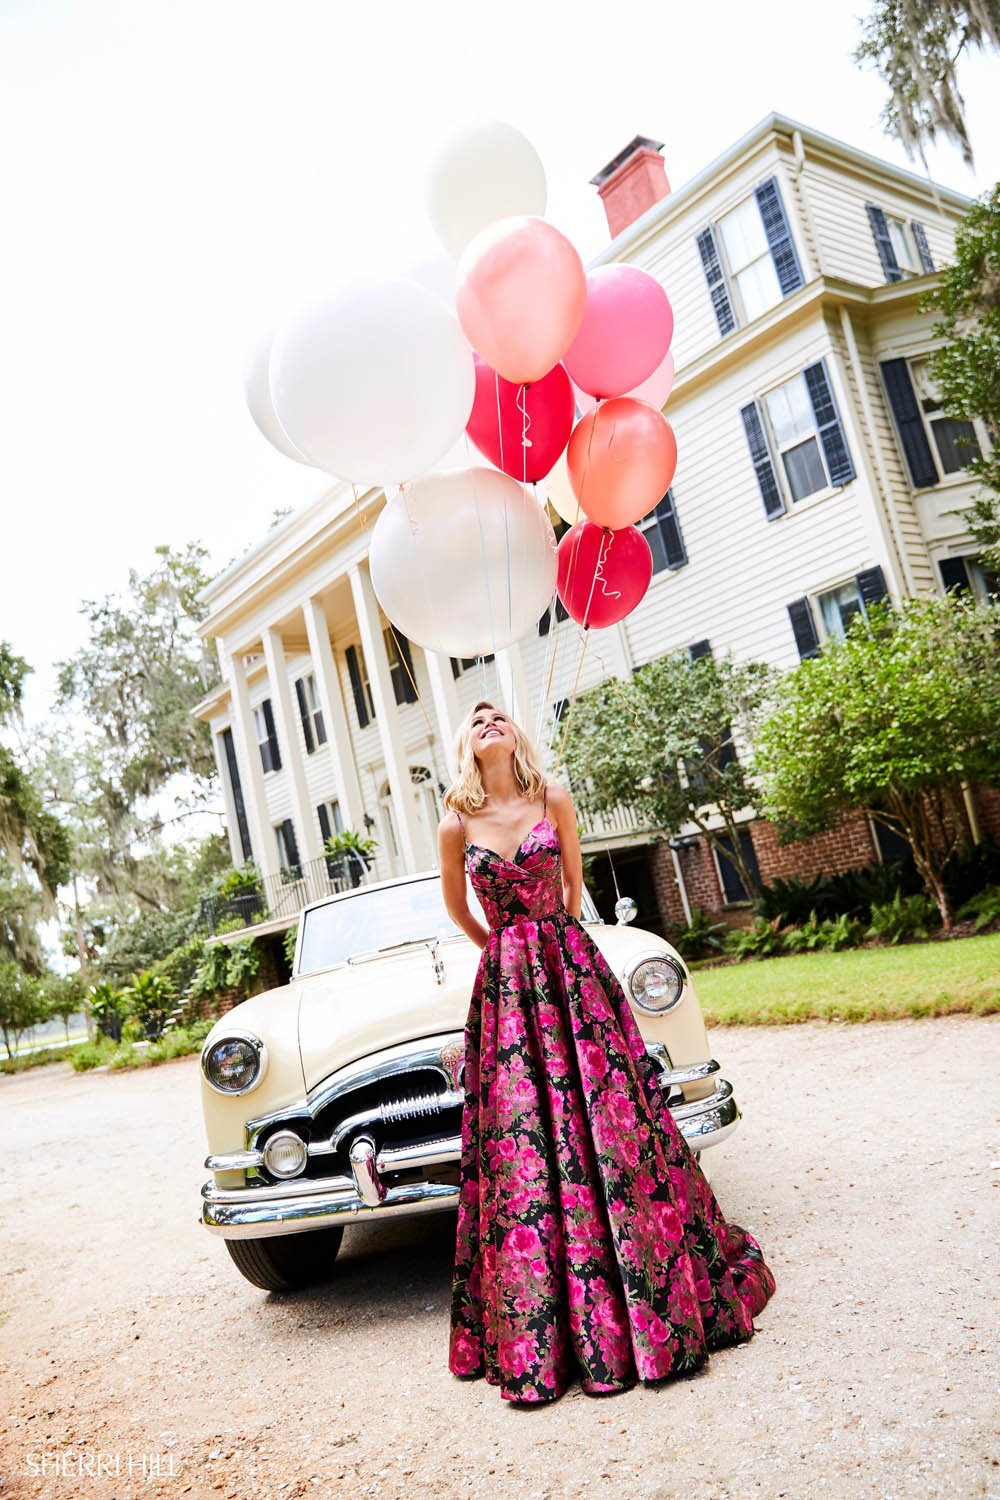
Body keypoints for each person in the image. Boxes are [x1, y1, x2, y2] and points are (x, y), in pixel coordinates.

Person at [437, 698, 775, 1406]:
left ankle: (637, 1306)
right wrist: (502, 950)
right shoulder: (454, 821)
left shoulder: (550, 795)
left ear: (516, 733)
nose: (488, 720)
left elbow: (571, 880)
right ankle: (553, 1328)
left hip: (571, 965)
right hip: (505, 986)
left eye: (498, 713)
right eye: (476, 719)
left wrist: (546, 934)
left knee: (611, 1120)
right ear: (466, 744)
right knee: (523, 1139)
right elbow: (456, 908)